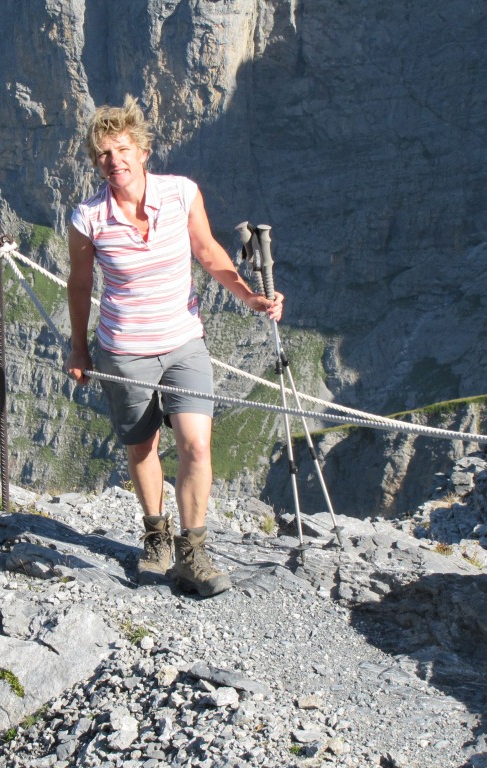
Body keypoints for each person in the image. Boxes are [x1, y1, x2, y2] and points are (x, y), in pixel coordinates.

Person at [65, 95, 283, 597]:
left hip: (185, 342)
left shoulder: (181, 194)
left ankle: (193, 551)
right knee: (142, 447)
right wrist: (79, 349)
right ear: (94, 161)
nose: (113, 161)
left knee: (197, 444)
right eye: (103, 154)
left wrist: (252, 297)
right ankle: (155, 536)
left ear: (142, 151)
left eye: (122, 149)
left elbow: (208, 252)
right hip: (124, 350)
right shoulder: (88, 218)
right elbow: (79, 286)